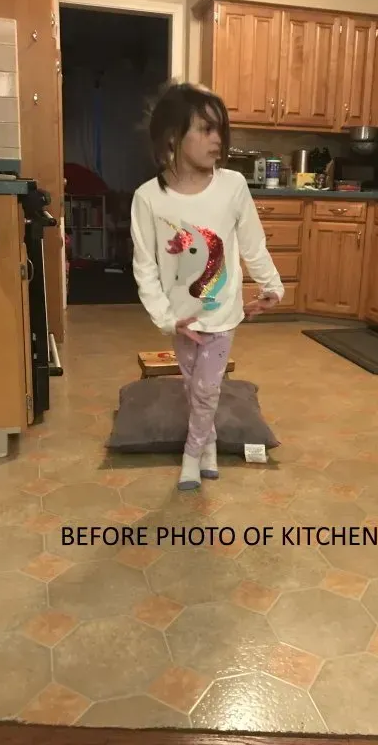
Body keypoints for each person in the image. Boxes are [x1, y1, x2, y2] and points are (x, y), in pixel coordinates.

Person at [130, 81, 284, 490]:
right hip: (182, 320)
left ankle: (192, 454)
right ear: (172, 138)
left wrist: (272, 286)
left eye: (220, 129)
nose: (217, 139)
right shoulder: (148, 198)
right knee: (192, 386)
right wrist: (166, 319)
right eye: (205, 129)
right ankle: (211, 442)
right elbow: (145, 266)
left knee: (205, 389)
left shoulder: (233, 186)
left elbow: (253, 243)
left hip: (222, 314)